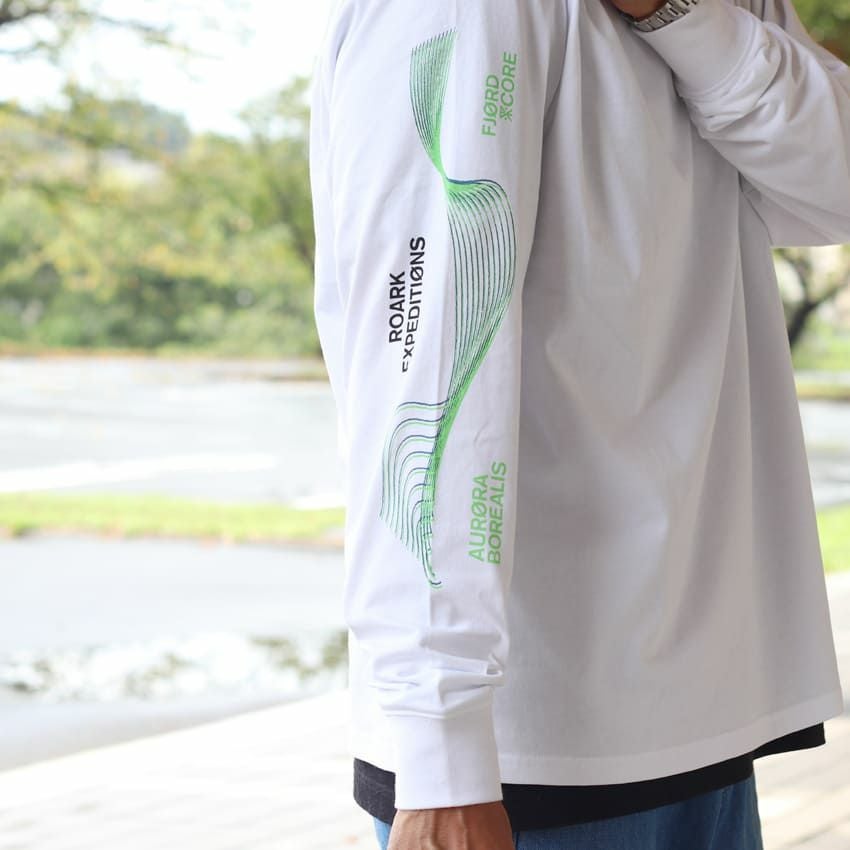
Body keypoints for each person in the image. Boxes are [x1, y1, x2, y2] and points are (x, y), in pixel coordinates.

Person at [308, 0, 850, 847]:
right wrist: (441, 755)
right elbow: (423, 374)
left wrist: (677, 15)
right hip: (523, 758)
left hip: (703, 722)